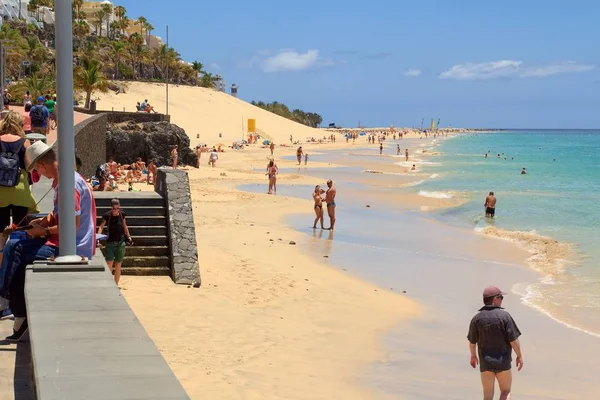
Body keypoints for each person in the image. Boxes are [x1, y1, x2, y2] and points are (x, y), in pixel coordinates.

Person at [0, 141, 96, 340]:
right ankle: (13, 308)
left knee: (18, 253)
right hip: (61, 240)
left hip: (73, 247)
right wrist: (40, 222)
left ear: (42, 165)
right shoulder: (64, 180)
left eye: (37, 170)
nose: (40, 174)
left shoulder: (68, 186)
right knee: (15, 242)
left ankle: (8, 303)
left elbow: (72, 226)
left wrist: (41, 232)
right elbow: (59, 215)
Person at [468, 286, 523, 400]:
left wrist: (473, 356)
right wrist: (519, 355)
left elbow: (472, 341)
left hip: (486, 362)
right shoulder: (505, 316)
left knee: (487, 396)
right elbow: (513, 340)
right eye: (501, 297)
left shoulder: (476, 319)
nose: (502, 300)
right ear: (495, 299)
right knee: (506, 391)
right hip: (503, 361)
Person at [0, 111, 38, 234]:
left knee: (1, 229)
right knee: (21, 227)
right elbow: (29, 168)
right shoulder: (24, 142)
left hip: (1, 189)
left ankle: (2, 251)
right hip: (19, 188)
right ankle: (17, 249)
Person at [97, 199, 132, 285]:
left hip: (120, 242)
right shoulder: (107, 216)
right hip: (110, 242)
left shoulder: (122, 214)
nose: (115, 210)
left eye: (117, 208)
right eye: (114, 208)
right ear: (111, 208)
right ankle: (109, 283)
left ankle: (116, 284)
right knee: (109, 263)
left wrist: (129, 237)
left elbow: (124, 226)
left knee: (118, 264)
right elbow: (101, 227)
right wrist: (98, 237)